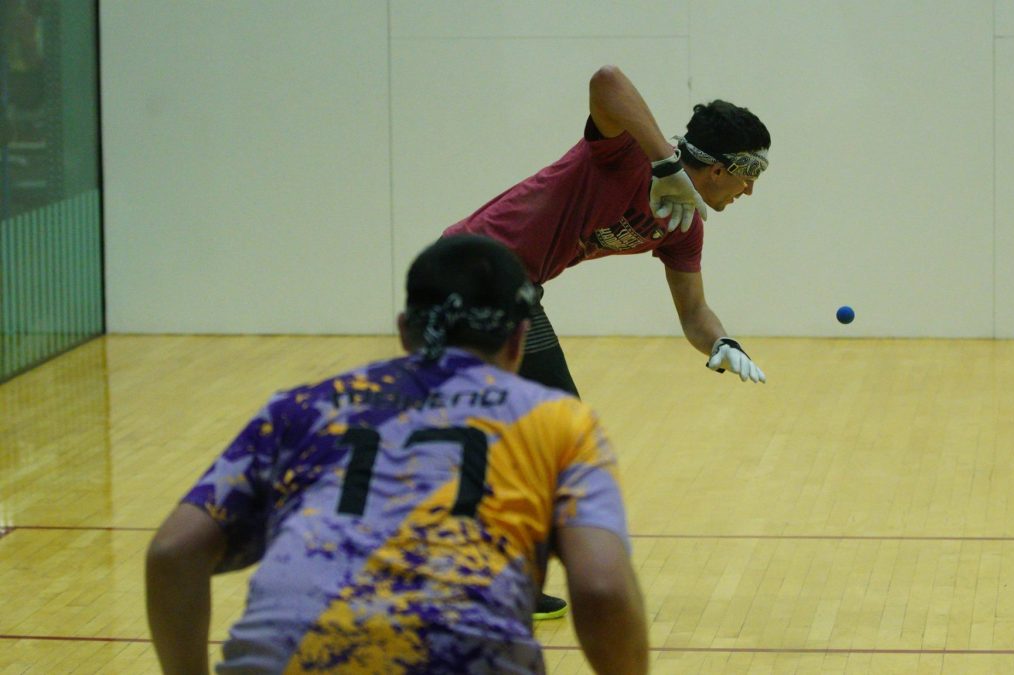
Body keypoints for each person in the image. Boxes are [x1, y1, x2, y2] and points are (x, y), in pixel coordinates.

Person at [145, 234, 649, 674]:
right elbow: (602, 589)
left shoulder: (300, 408)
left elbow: (173, 553)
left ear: (406, 330)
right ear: (519, 339)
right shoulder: (560, 423)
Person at [444, 63, 771, 618]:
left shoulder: (682, 223)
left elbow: (695, 313)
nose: (751, 190)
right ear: (720, 168)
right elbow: (607, 80)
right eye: (749, 174)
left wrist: (722, 343)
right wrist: (666, 164)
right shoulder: (624, 154)